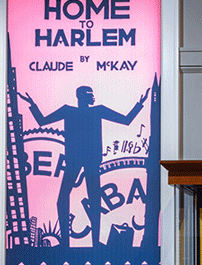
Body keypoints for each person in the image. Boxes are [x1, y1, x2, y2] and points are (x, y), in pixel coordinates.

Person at [19, 85, 149, 248]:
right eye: (89, 94)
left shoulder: (95, 110)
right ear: (80, 96)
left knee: (91, 200)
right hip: (78, 160)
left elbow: (126, 120)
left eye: (92, 94)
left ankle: (91, 244)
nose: (93, 97)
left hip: (87, 160)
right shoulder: (72, 111)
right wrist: (32, 104)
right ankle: (69, 243)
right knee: (67, 199)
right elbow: (42, 121)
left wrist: (140, 103)